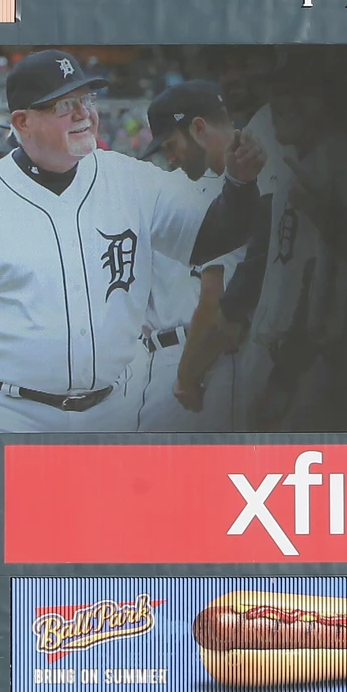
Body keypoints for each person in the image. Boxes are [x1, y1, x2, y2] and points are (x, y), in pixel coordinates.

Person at [0, 49, 265, 436]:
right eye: (64, 104)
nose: (84, 113)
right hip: (7, 414)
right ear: (22, 122)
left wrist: (239, 182)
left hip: (117, 410)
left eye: (86, 99)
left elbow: (215, 235)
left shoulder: (130, 179)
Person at [135, 81, 236, 431]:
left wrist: (185, 376)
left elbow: (215, 297)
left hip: (194, 358)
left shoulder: (227, 194)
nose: (171, 158)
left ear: (198, 128)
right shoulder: (181, 190)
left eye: (172, 145)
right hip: (162, 357)